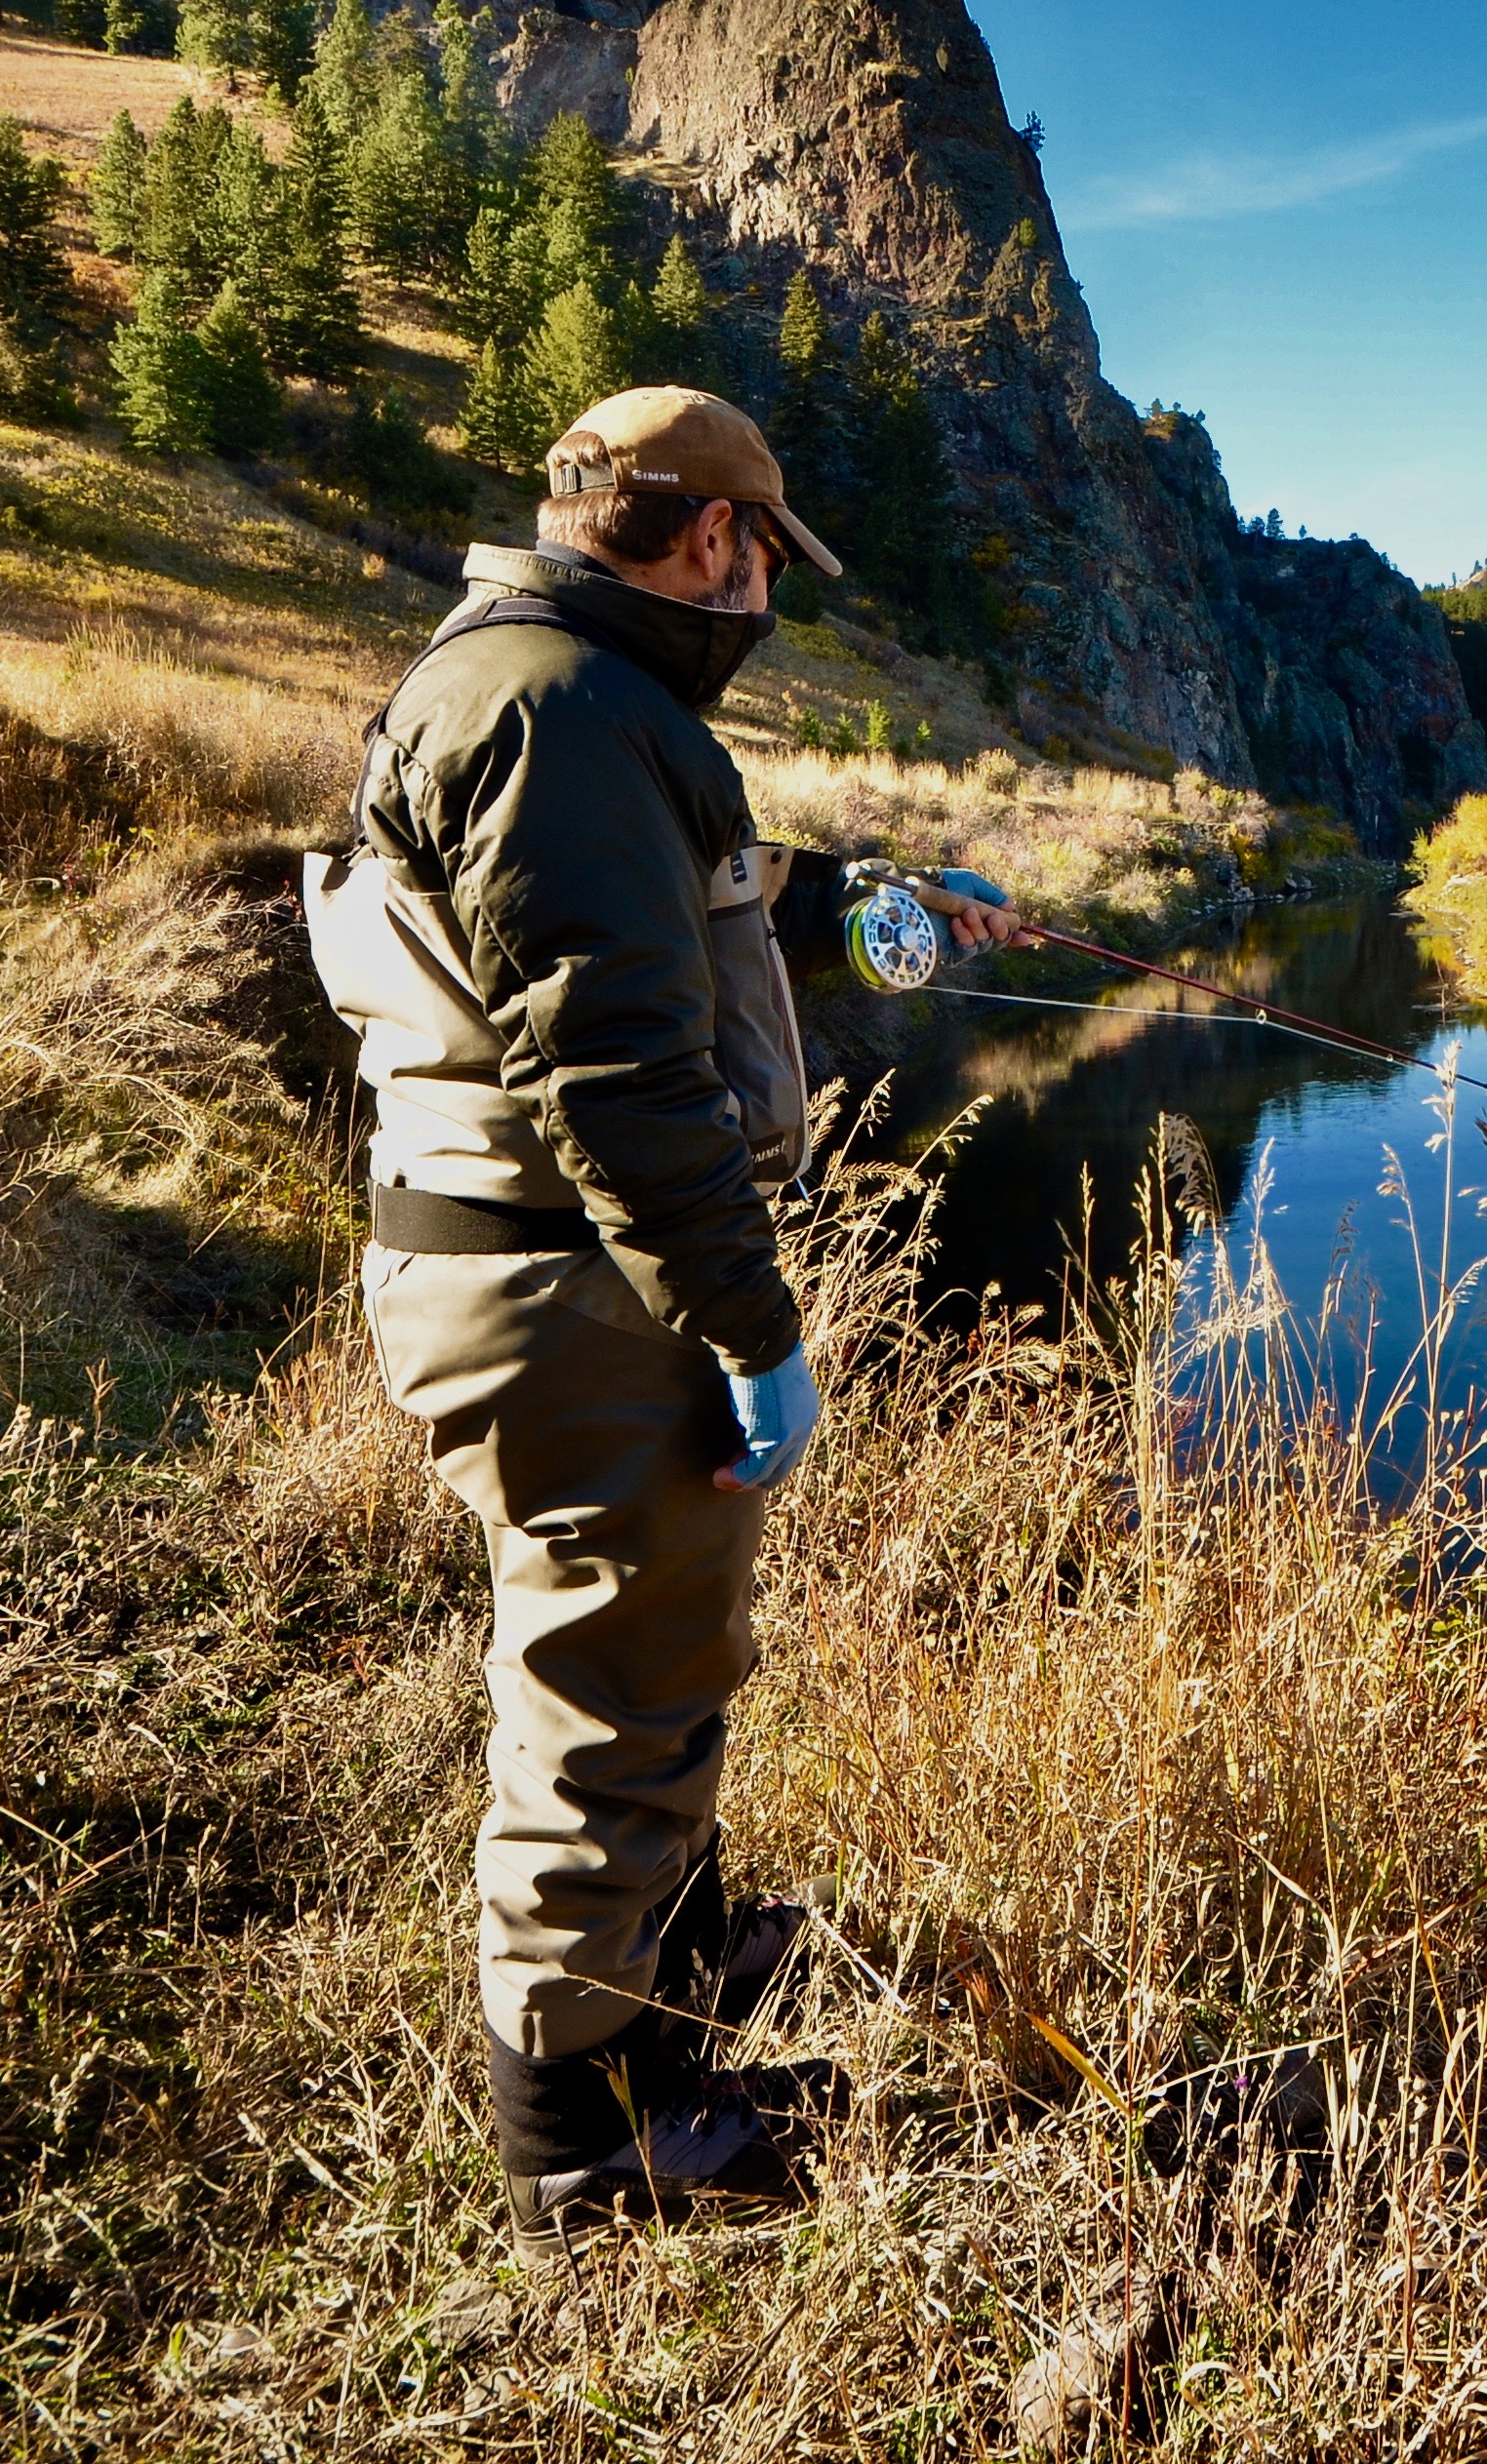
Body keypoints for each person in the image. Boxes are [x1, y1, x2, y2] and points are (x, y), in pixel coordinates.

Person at [306, 382, 1014, 2232]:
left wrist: (851, 897)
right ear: (714, 537)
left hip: (563, 1277)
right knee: (604, 1692)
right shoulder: (561, 711)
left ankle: (672, 2002)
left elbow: (626, 916)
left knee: (658, 1657)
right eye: (765, 557)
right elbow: (615, 1068)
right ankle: (588, 2152)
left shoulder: (547, 687)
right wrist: (749, 1324)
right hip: (571, 1286)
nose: (764, 592)